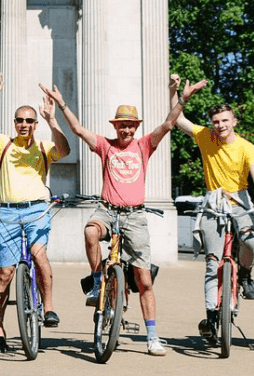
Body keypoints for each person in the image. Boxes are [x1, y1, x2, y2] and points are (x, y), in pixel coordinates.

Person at [40, 74, 207, 356]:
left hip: (135, 216)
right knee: (90, 231)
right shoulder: (106, 145)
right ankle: (96, 283)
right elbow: (79, 130)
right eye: (122, 126)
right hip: (107, 210)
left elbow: (168, 124)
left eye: (130, 126)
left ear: (135, 127)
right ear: (115, 127)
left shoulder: (143, 145)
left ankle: (153, 336)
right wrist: (62, 104)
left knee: (144, 280)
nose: (126, 130)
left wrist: (183, 99)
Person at [173, 82, 254, 345]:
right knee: (212, 262)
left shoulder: (246, 147)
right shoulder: (205, 137)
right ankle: (211, 317)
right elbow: (177, 120)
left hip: (240, 199)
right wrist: (178, 95)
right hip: (214, 200)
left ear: (234, 122)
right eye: (216, 121)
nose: (220, 125)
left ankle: (244, 274)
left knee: (251, 240)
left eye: (224, 120)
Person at [0, 70, 70, 353]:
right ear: (14, 123)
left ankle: (49, 307)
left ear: (35, 123)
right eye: (20, 120)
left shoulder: (44, 146)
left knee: (40, 256)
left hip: (37, 211)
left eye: (30, 120)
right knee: (4, 273)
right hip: (7, 213)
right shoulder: (4, 144)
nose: (25, 124)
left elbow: (65, 150)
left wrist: (53, 120)